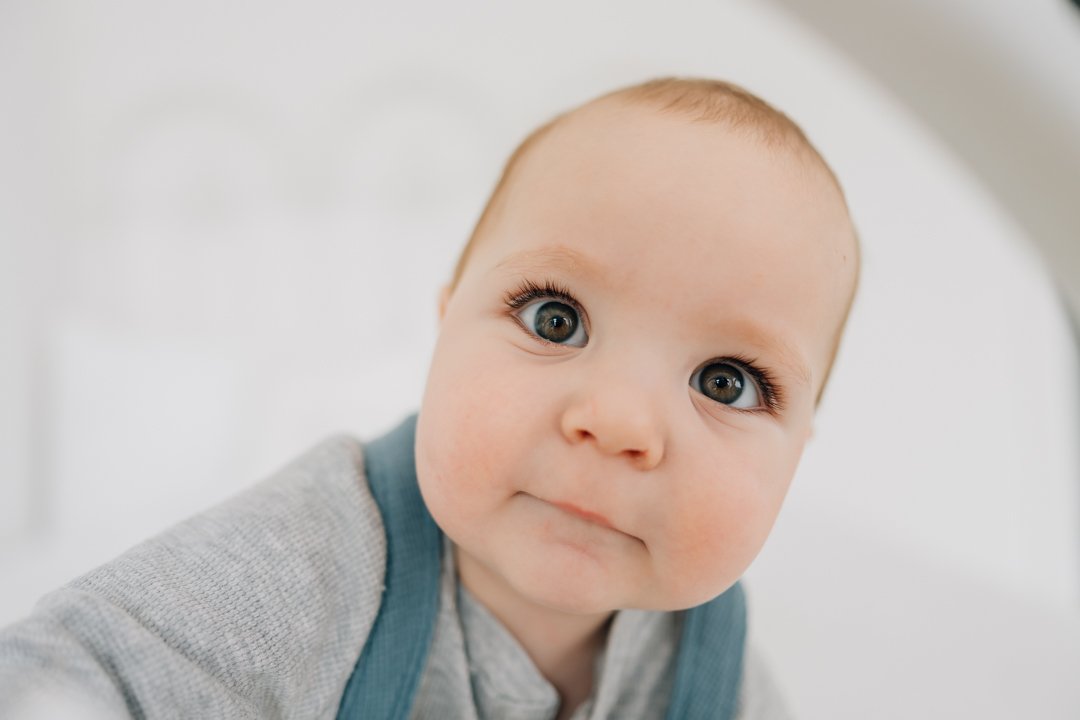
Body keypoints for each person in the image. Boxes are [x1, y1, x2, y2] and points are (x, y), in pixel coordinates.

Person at [0, 77, 859, 719]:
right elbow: (69, 675)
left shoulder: (714, 666)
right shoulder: (318, 558)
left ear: (799, 451)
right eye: (556, 320)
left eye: (727, 383)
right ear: (446, 325)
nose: (620, 422)